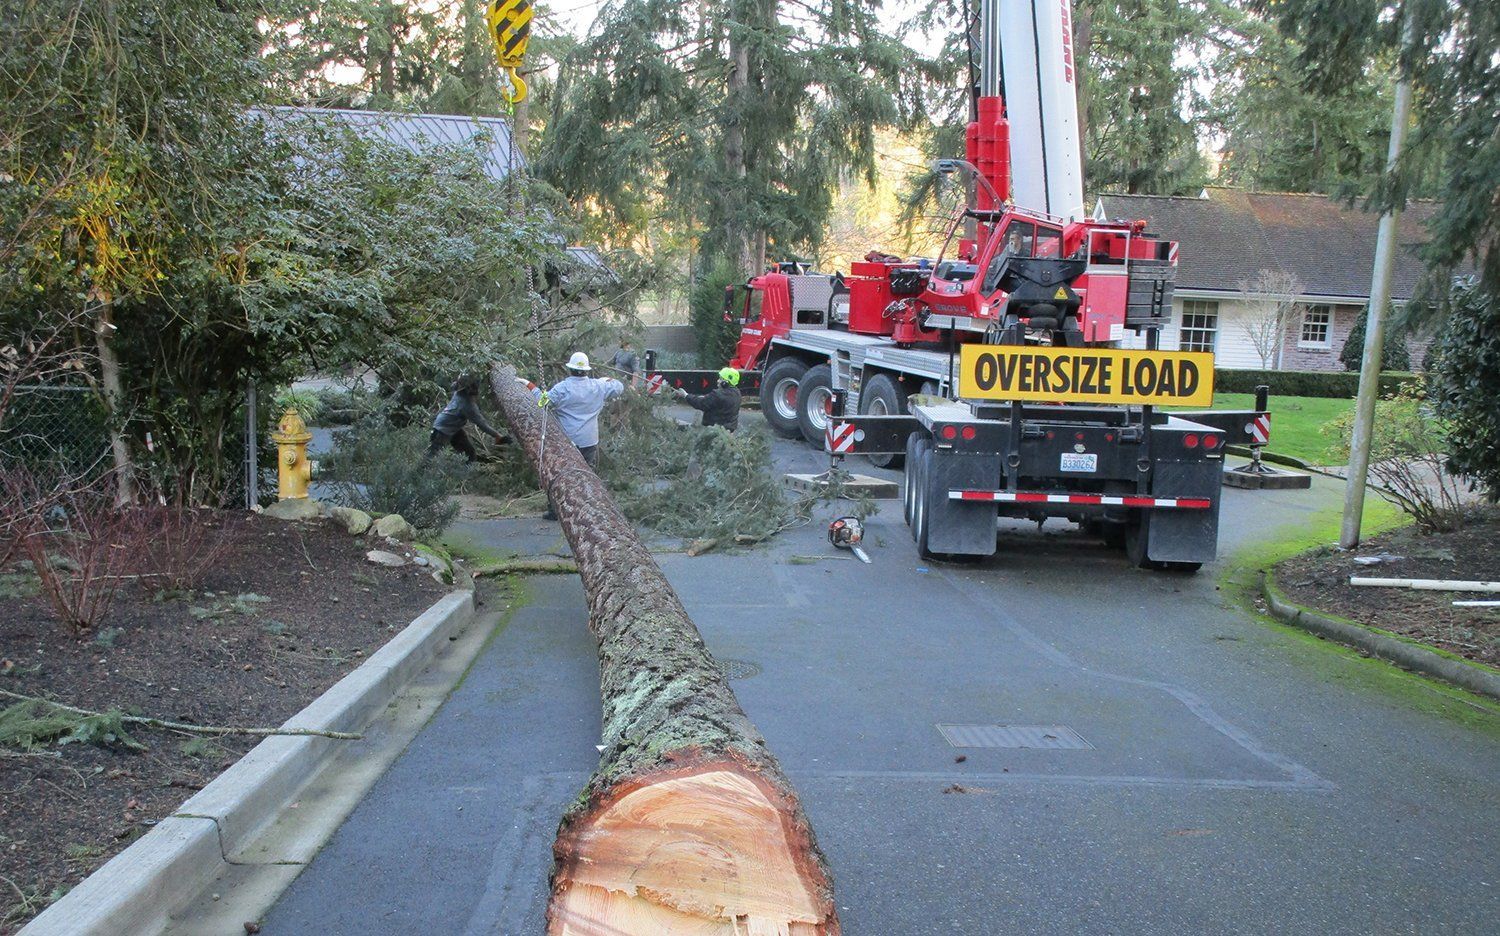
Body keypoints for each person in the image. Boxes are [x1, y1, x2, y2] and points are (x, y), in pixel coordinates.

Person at [528, 352, 624, 519]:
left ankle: (555, 511)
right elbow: (619, 387)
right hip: (589, 441)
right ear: (586, 370)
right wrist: (607, 379)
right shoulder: (598, 387)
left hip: (566, 440)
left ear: (570, 369)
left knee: (560, 475)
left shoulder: (563, 388)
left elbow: (543, 402)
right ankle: (588, 508)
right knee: (586, 475)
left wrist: (530, 386)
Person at [429, 375, 507, 461]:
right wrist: (498, 436)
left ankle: (464, 471)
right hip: (442, 430)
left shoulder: (458, 392)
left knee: (470, 453)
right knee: (432, 456)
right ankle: (420, 472)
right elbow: (482, 424)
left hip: (453, 427)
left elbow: (456, 384)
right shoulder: (468, 406)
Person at [676, 367, 742, 432]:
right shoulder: (737, 393)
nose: (718, 381)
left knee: (680, 427)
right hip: (728, 431)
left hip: (712, 431)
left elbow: (700, 404)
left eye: (721, 379)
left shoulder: (717, 394)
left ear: (725, 383)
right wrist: (707, 398)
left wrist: (686, 395)